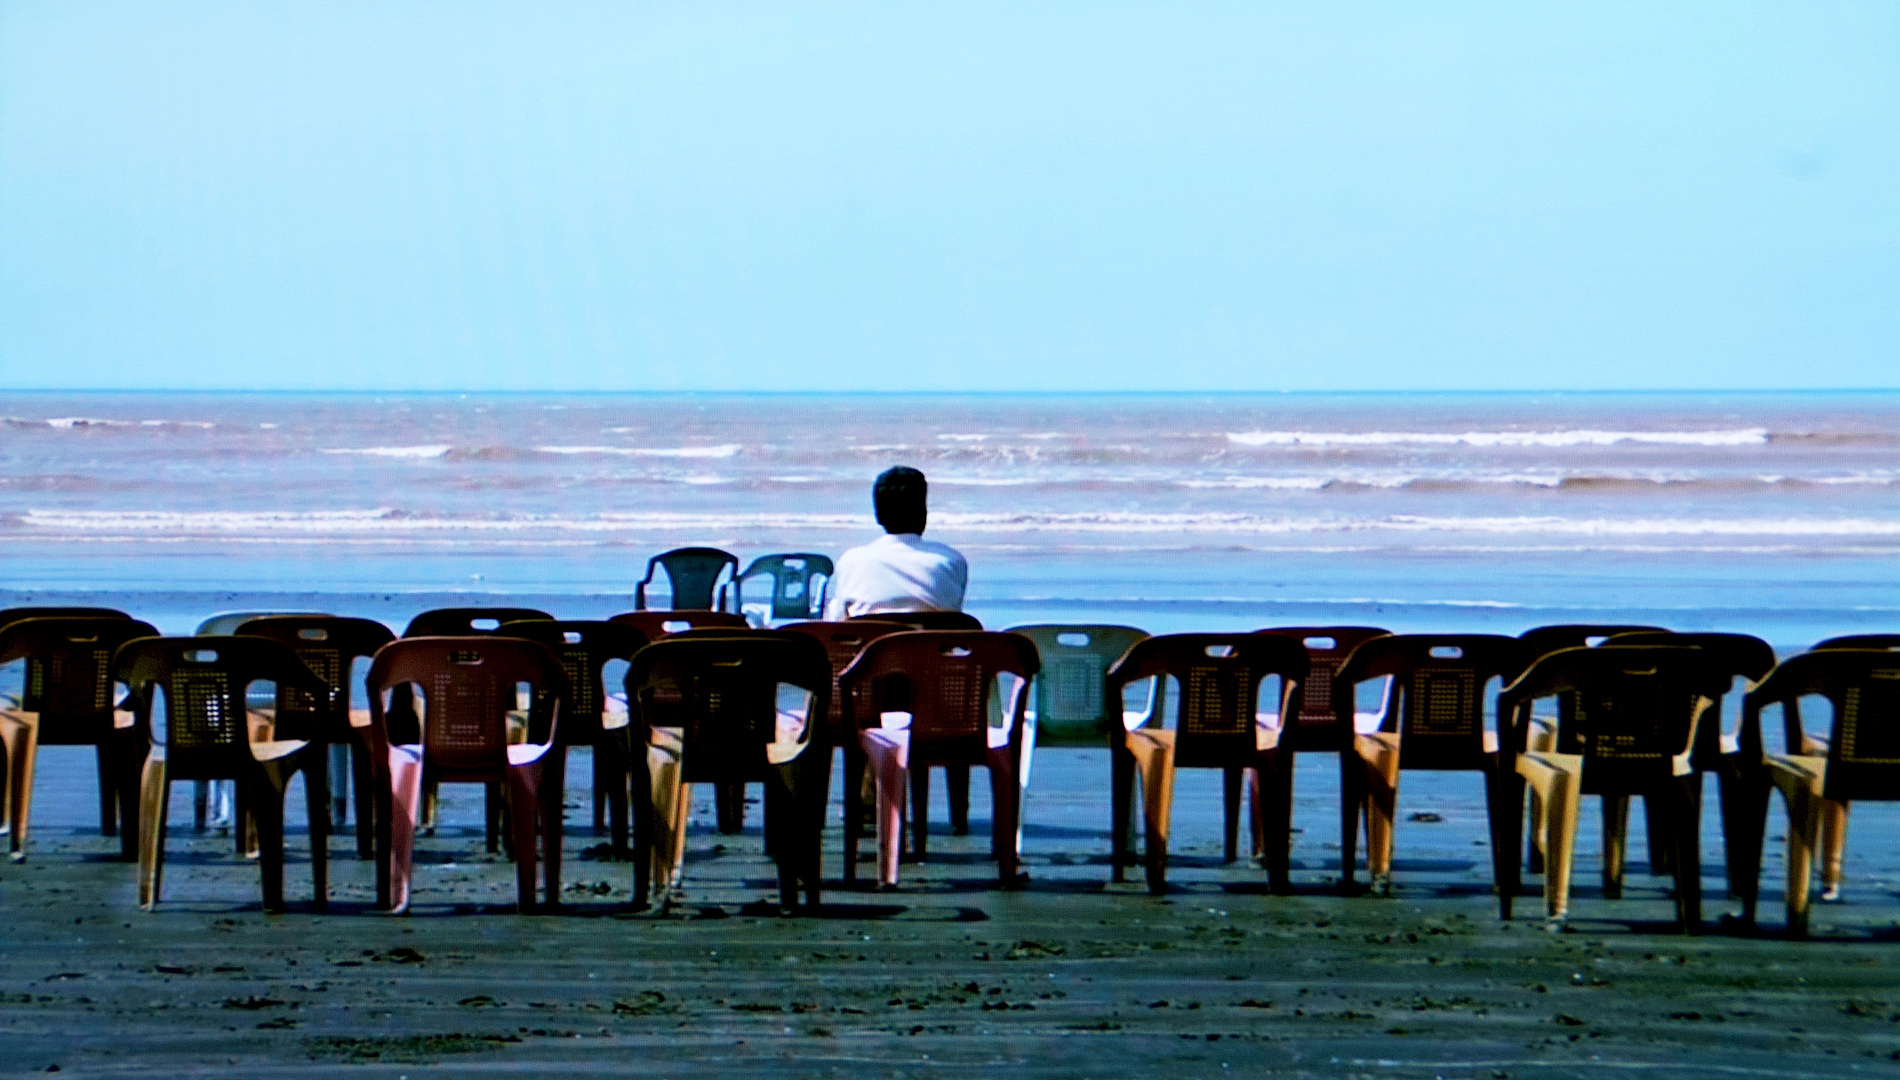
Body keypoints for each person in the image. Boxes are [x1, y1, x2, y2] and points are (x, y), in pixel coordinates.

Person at [823, 466, 968, 620]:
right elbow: (954, 617)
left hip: (867, 642)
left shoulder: (852, 561)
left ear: (878, 516)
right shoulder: (950, 560)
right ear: (923, 513)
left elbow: (837, 622)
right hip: (929, 644)